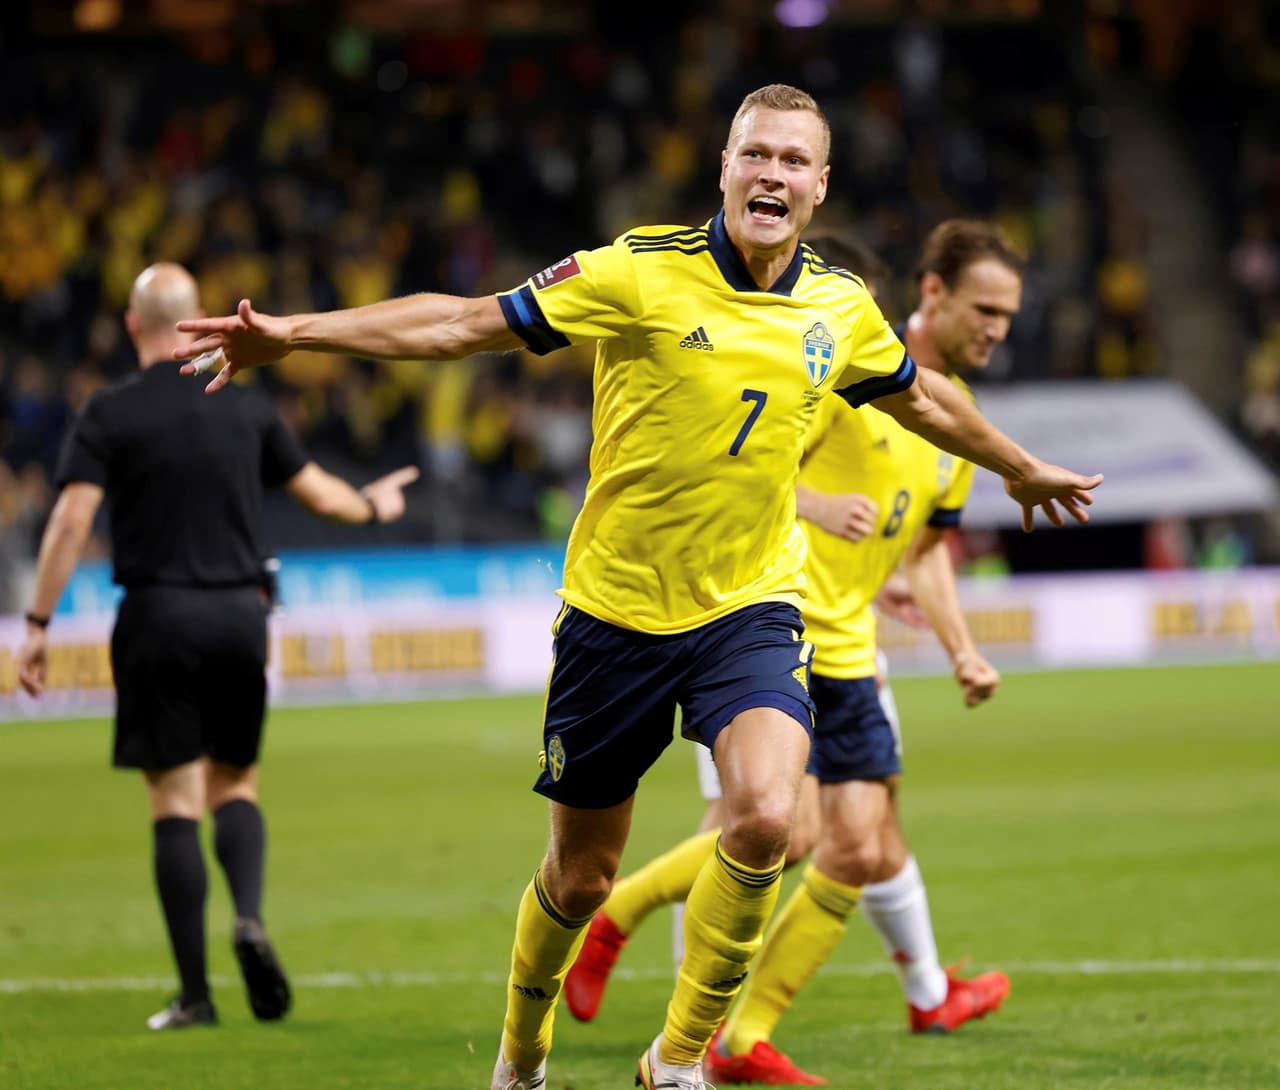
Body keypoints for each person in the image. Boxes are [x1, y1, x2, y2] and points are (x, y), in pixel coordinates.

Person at [171, 85, 1100, 1090]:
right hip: (615, 613)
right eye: (755, 154)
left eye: (793, 160)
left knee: (764, 818)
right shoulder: (636, 270)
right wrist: (297, 334)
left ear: (820, 185)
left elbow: (920, 400)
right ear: (724, 167)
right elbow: (463, 323)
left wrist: (1017, 467)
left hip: (748, 607)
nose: (772, 174)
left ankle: (679, 1061)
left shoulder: (839, 308)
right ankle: (521, 1055)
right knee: (581, 877)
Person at [563, 224, 1021, 1084]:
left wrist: (961, 647)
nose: (998, 328)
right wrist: (817, 507)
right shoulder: (845, 374)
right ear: (933, 294)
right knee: (784, 830)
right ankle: (678, 992)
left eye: (1009, 315)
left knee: (857, 844)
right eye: (985, 309)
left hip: (854, 646)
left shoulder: (955, 424)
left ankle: (750, 1030)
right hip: (773, 626)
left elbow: (924, 552)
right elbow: (751, 464)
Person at [16, 263, 419, 1031]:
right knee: (236, 785)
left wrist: (37, 624)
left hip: (157, 616)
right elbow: (322, 496)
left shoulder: (109, 411)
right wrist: (375, 504)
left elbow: (70, 521)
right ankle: (250, 918)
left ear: (132, 326)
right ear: (195, 319)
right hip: (241, 614)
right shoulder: (246, 407)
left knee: (173, 800)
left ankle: (196, 996)